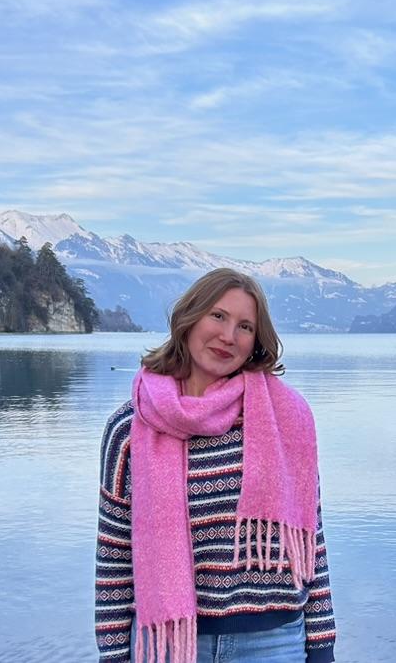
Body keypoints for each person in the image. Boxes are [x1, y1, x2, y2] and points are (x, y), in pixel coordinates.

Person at [95, 268, 336, 663]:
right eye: (218, 316)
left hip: (273, 644)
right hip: (167, 645)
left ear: (255, 341)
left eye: (245, 326)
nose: (228, 336)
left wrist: (322, 645)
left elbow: (312, 540)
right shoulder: (129, 428)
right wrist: (114, 655)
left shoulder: (285, 419)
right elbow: (113, 556)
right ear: (189, 319)